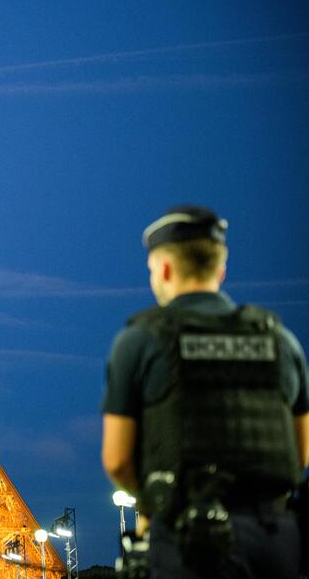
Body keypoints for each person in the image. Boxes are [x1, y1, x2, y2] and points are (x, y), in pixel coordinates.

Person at [101, 205, 309, 578]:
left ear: (163, 269)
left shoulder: (140, 342)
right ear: (221, 270)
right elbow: (301, 454)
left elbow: (117, 460)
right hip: (272, 539)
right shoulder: (281, 341)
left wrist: (156, 507)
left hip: (186, 539)